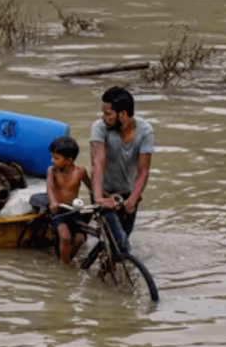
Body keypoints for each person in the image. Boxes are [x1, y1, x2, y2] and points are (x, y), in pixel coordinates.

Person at [90, 86, 154, 244]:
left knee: (122, 241)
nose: (103, 117)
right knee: (115, 242)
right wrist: (98, 197)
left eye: (108, 113)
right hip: (104, 194)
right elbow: (97, 162)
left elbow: (143, 171)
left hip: (127, 195)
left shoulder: (145, 132)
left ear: (123, 114)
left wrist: (133, 199)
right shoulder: (99, 127)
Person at [46, 136, 92, 267]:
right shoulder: (52, 171)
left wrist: (100, 198)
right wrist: (53, 202)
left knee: (79, 239)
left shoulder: (80, 172)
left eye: (56, 158)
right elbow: (50, 188)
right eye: (52, 157)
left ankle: (67, 259)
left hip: (74, 210)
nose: (52, 161)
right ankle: (65, 265)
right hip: (59, 211)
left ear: (68, 161)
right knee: (65, 236)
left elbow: (91, 188)